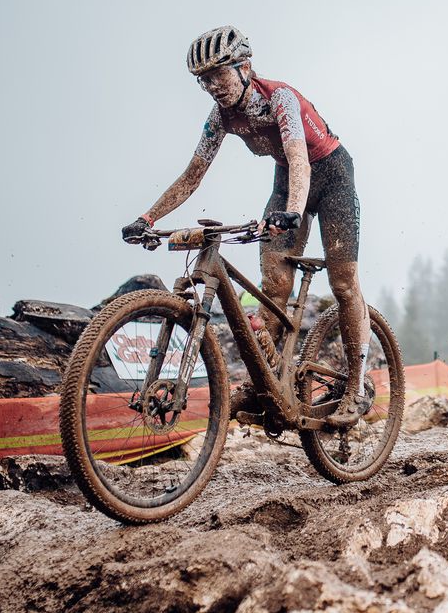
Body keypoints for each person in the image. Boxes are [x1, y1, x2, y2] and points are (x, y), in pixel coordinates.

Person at [121, 26, 369, 428]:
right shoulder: (220, 117)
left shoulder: (280, 99)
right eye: (205, 80)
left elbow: (299, 159)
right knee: (273, 285)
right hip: (288, 181)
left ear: (245, 67)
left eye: (220, 74)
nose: (213, 86)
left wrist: (291, 210)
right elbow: (191, 177)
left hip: (331, 174)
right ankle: (266, 383)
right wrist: (147, 219)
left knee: (343, 283)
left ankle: (356, 388)